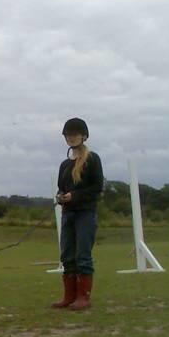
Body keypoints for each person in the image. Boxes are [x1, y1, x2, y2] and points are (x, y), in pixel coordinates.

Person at [51, 117, 103, 311]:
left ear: (84, 136)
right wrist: (61, 196)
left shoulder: (92, 159)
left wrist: (76, 196)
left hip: (85, 214)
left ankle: (83, 297)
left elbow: (97, 187)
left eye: (75, 134)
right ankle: (69, 295)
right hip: (68, 214)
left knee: (82, 255)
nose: (71, 138)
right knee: (67, 255)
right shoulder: (64, 165)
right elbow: (61, 187)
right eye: (68, 135)